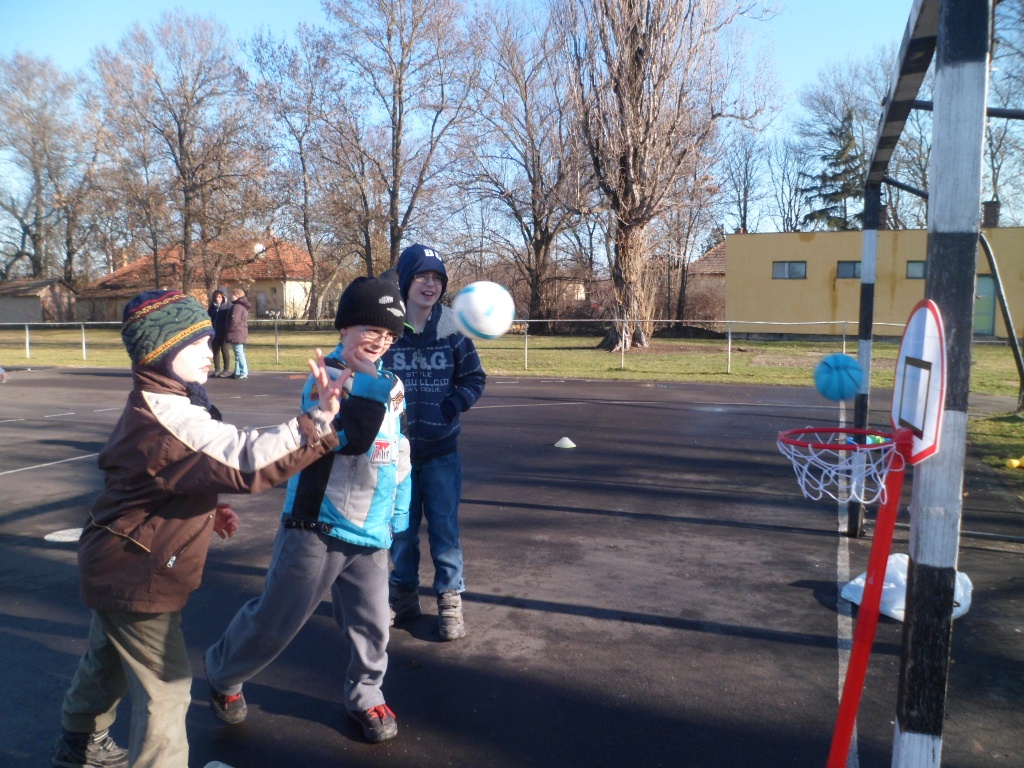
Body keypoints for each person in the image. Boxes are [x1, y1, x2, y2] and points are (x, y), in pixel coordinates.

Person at [50, 289, 349, 768]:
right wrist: (317, 421)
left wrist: (205, 506)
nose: (210, 352)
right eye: (196, 344)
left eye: (210, 341)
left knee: (108, 659)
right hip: (135, 568)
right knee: (167, 687)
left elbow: (163, 480)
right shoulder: (168, 416)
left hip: (120, 558)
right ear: (161, 352)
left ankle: (80, 745)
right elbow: (246, 459)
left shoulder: (161, 401)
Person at [205, 275, 411, 744]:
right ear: (344, 328)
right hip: (318, 525)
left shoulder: (392, 383)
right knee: (277, 620)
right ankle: (224, 670)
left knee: (374, 625)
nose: (380, 340)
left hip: (372, 529)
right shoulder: (327, 376)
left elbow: (398, 446)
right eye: (370, 328)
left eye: (389, 334)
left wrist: (399, 508)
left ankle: (366, 693)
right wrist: (368, 385)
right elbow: (349, 439)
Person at [383, 244, 486, 641]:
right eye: (422, 276)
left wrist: (452, 405)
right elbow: (370, 374)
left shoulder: (453, 329)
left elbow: (474, 378)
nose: (430, 285)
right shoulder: (389, 329)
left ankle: (449, 598)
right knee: (402, 531)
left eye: (437, 278)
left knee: (444, 530)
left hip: (442, 453)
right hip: (398, 455)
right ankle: (404, 596)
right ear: (405, 281)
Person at [207, 288, 232, 377]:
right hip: (214, 331)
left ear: (224, 297)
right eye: (217, 297)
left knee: (225, 350)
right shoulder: (212, 306)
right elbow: (208, 316)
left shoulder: (228, 306)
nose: (218, 299)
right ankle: (217, 370)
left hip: (224, 332)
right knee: (215, 351)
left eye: (220, 297)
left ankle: (226, 370)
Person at [226, 288, 250, 379]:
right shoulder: (242, 305)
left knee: (239, 353)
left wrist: (229, 329)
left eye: (232, 295)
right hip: (241, 331)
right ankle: (238, 371)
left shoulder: (237, 306)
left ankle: (243, 371)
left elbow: (234, 320)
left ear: (236, 296)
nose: (231, 296)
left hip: (237, 332)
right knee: (237, 352)